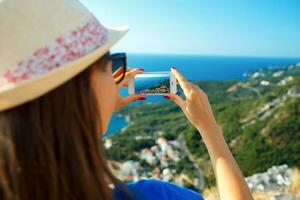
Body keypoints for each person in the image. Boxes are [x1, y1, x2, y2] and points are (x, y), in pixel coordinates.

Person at [0, 0, 253, 199]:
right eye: (110, 63)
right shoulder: (150, 196)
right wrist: (209, 129)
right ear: (82, 91)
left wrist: (93, 114)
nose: (116, 74)